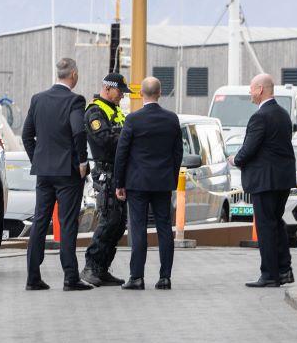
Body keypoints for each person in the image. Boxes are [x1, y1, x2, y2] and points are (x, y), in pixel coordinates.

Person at [22, 58, 93, 291]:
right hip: (67, 173)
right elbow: (79, 131)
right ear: (73, 74)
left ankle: (33, 277)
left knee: (40, 222)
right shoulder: (75, 101)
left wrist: (38, 160)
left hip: (44, 173)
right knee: (67, 222)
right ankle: (70, 277)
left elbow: (26, 136)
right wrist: (82, 160)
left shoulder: (38, 99)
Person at [114, 77, 183, 291]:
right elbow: (177, 152)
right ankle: (165, 278)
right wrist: (170, 177)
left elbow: (122, 153)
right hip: (162, 183)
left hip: (137, 183)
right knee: (164, 228)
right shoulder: (171, 119)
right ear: (160, 93)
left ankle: (136, 277)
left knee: (138, 228)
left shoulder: (133, 120)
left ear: (141, 94)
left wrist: (119, 182)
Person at [230, 74, 297, 288]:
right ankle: (284, 270)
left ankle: (269, 274)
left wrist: (235, 159)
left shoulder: (260, 117)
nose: (249, 93)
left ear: (260, 89)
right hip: (282, 180)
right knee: (276, 222)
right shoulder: (283, 114)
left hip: (265, 181)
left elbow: (250, 148)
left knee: (266, 227)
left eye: (251, 88)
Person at [81, 73, 132, 287]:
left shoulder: (115, 110)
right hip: (106, 172)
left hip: (119, 172)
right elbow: (104, 140)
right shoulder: (95, 111)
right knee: (109, 220)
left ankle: (102, 268)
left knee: (119, 224)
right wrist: (128, 134)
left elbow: (117, 135)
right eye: (120, 91)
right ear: (108, 88)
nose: (122, 96)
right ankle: (90, 267)